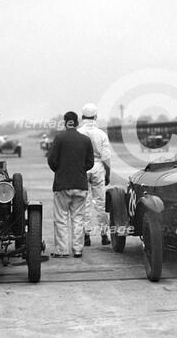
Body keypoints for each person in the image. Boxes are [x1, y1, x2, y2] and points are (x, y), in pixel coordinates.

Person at [48, 111, 94, 258]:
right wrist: (79, 170)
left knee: (61, 219)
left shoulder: (59, 138)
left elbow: (52, 160)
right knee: (78, 219)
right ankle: (78, 250)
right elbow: (90, 163)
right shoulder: (86, 140)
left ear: (65, 122)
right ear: (77, 122)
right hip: (80, 185)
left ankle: (62, 250)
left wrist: (60, 170)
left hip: (62, 185)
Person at [77, 103, 112, 246]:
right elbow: (106, 158)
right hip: (98, 167)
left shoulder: (78, 133)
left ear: (82, 116)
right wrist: (107, 174)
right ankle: (104, 235)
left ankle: (86, 235)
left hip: (82, 167)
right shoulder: (102, 134)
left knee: (83, 203)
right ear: (96, 117)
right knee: (100, 203)